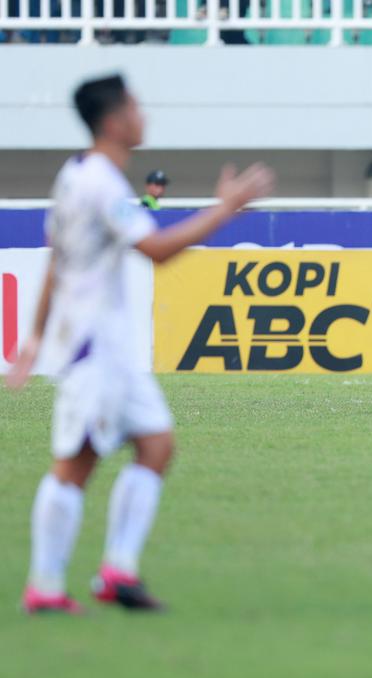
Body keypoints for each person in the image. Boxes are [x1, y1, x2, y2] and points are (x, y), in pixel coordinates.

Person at [6, 74, 275, 614]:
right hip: (94, 348)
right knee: (76, 463)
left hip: (111, 348)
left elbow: (57, 260)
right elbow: (155, 248)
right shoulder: (99, 184)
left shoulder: (77, 176)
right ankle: (44, 585)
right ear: (112, 120)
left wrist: (34, 335)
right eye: (133, 106)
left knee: (156, 445)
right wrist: (225, 209)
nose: (141, 114)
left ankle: (117, 573)